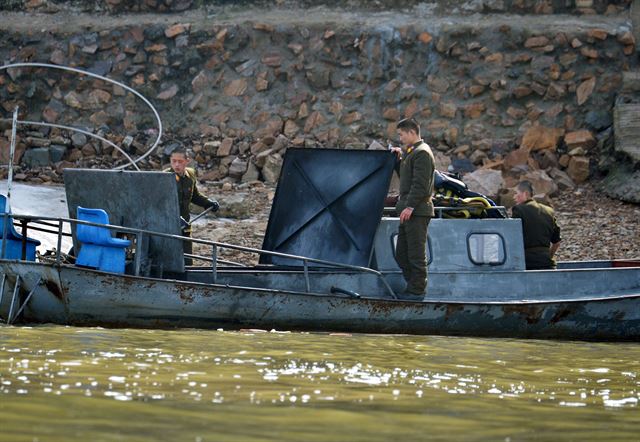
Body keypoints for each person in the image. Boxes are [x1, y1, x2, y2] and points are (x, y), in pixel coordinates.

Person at [389, 118, 435, 300]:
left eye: (401, 134)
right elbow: (407, 177)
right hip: (408, 211)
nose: (400, 138)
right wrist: (399, 159)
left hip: (417, 211)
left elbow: (420, 185)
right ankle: (412, 286)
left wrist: (410, 206)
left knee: (416, 254)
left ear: (411, 133)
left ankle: (417, 291)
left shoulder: (422, 153)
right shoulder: (412, 153)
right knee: (402, 254)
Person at [166, 147, 219, 265]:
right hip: (167, 227)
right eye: (174, 161)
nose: (176, 165)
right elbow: (157, 203)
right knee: (168, 260)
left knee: (187, 260)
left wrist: (208, 203)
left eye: (180, 161)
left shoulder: (190, 175)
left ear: (187, 161)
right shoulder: (164, 177)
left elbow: (194, 196)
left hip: (185, 225)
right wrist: (173, 219)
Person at [511, 180, 561, 270]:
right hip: (548, 264)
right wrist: (548, 256)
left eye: (516, 193)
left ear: (525, 194)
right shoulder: (549, 211)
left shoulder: (518, 210)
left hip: (527, 264)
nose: (514, 197)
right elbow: (556, 243)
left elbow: (512, 239)